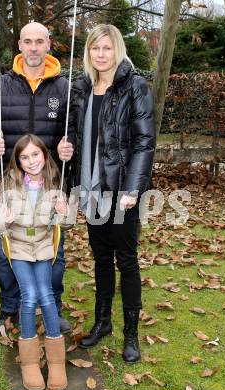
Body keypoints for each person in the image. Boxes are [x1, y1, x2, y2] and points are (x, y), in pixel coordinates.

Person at [0, 22, 74, 335]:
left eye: (39, 42)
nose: (33, 48)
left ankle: (52, 309)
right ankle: (10, 311)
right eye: (28, 42)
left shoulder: (64, 89)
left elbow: (76, 131)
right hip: (10, 185)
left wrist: (69, 145)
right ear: (19, 44)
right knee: (6, 252)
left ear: (49, 45)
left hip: (51, 184)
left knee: (53, 253)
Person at [69, 24, 155, 363]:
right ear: (88, 52)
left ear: (116, 50)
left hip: (121, 191)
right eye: (94, 49)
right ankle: (102, 321)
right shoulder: (83, 88)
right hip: (91, 189)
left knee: (127, 261)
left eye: (106, 48)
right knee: (101, 258)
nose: (100, 55)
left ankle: (131, 333)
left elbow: (145, 141)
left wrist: (132, 188)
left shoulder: (134, 86)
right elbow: (77, 138)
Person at [0, 134, 73, 390]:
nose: (31, 161)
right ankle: (30, 360)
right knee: (30, 294)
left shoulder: (55, 182)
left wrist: (65, 214)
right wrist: (2, 219)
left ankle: (56, 361)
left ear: (45, 155)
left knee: (46, 295)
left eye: (36, 155)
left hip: (44, 248)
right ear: (18, 161)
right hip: (20, 248)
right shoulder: (8, 184)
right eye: (25, 157)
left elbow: (65, 223)